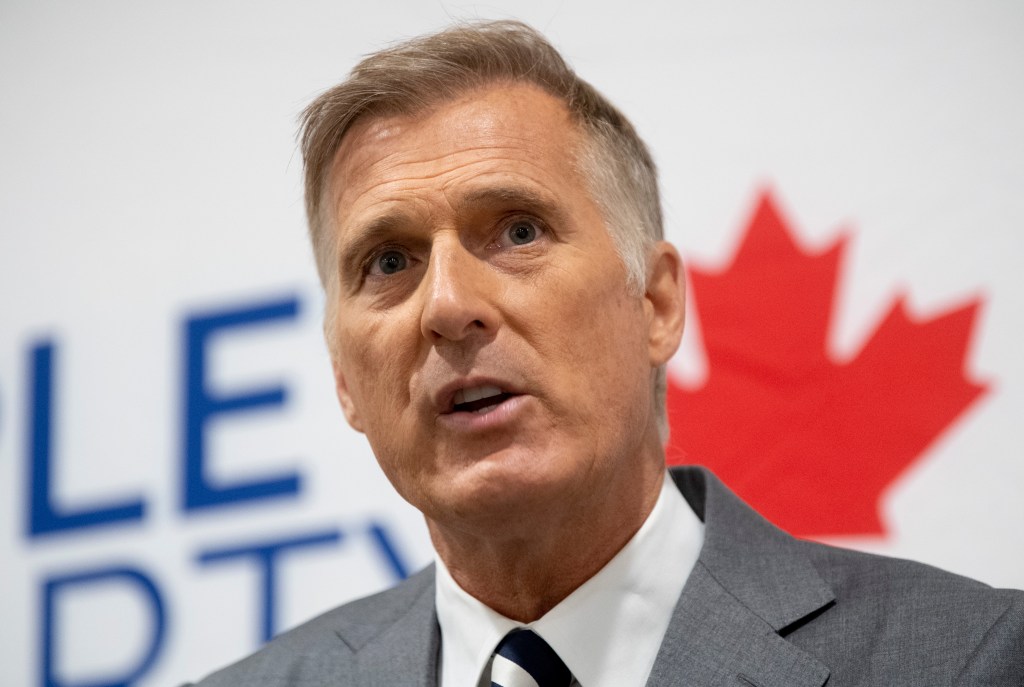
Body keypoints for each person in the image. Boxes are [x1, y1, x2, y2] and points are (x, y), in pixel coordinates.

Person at [190, 20, 1024, 686]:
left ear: (656, 303)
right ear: (343, 377)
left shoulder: (969, 659)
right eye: (389, 262)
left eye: (518, 230)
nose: (446, 305)